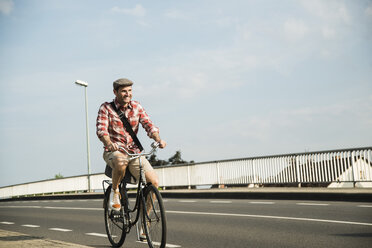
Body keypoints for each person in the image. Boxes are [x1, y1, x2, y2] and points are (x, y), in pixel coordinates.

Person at [96, 78, 166, 211]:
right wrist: (109, 143)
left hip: (134, 152)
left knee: (154, 183)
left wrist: (158, 140)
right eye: (123, 91)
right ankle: (115, 191)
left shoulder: (137, 107)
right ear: (115, 92)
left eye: (129, 90)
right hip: (114, 151)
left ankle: (144, 223)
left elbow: (149, 125)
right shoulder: (106, 108)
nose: (127, 94)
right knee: (121, 162)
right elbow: (101, 130)